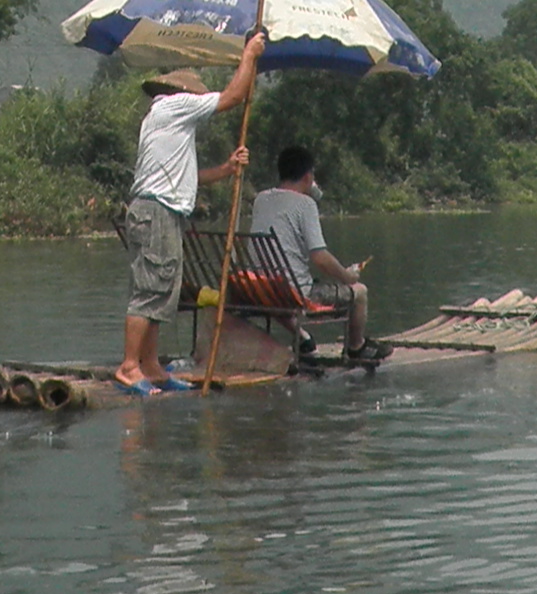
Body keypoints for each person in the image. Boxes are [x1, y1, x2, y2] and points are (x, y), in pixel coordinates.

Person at [120, 32, 265, 393]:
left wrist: (228, 169)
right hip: (156, 211)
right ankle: (128, 367)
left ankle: (151, 366)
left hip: (161, 211)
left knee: (164, 287)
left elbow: (191, 178)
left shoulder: (168, 126)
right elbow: (234, 96)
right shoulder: (173, 107)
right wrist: (250, 54)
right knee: (151, 287)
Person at [245, 144, 375, 362]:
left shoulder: (261, 198)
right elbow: (320, 258)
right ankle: (356, 347)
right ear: (307, 176)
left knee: (279, 291)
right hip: (293, 292)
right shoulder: (306, 204)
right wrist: (347, 276)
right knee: (360, 292)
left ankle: (304, 340)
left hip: (259, 288)